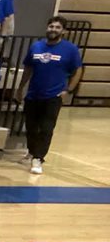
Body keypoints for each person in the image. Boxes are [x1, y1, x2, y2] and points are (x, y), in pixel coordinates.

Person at [14, 15, 83, 175]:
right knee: (30, 127)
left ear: (63, 31)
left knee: (46, 128)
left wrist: (68, 90)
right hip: (33, 94)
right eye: (51, 26)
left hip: (53, 96)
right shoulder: (36, 47)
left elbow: (78, 70)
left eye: (58, 27)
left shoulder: (70, 49)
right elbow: (29, 69)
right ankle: (31, 151)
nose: (53, 30)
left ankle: (38, 158)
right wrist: (20, 88)